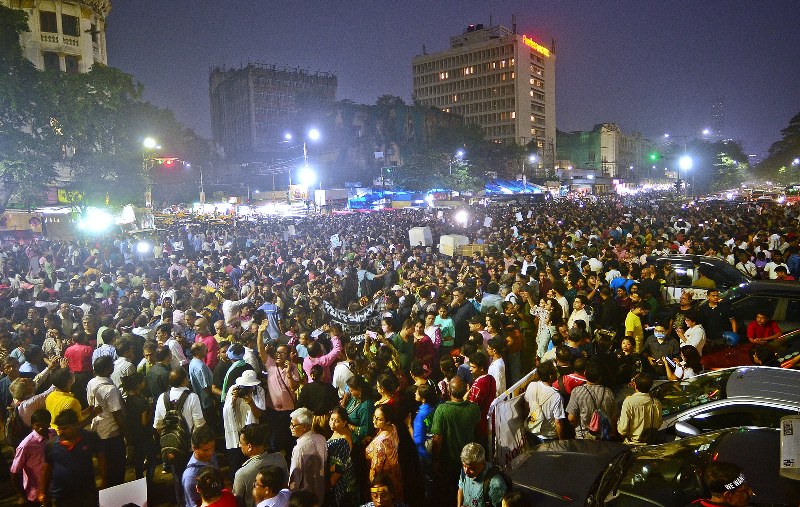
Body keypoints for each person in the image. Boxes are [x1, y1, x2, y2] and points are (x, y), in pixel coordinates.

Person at [41, 408, 107, 507]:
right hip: (61, 496)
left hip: (86, 494)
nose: (61, 432)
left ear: (75, 425)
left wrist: (104, 480)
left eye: (65, 428)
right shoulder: (52, 445)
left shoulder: (90, 438)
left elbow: (101, 458)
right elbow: (47, 469)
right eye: (60, 428)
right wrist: (43, 492)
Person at [430, 376, 480, 505]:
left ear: (449, 391)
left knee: (451, 493)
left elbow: (437, 438)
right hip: (469, 461)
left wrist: (435, 460)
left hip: (449, 462)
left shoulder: (442, 410)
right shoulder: (474, 408)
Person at [86, 354, 128, 487]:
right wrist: (125, 432)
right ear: (106, 369)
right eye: (111, 366)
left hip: (98, 429)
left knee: (105, 468)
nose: (113, 367)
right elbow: (117, 414)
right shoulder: (110, 389)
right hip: (112, 433)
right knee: (116, 468)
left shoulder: (92, 382)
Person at [223, 369, 266, 477]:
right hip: (236, 433)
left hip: (251, 433)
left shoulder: (259, 391)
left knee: (253, 465)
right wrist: (233, 399)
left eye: (249, 387)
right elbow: (227, 411)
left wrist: (251, 403)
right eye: (244, 387)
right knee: (235, 465)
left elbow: (258, 415)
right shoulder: (233, 389)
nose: (246, 390)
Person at [233, 424, 288, 507]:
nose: (240, 445)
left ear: (249, 446)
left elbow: (237, 502)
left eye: (241, 443)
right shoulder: (279, 458)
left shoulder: (242, 473)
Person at [10, 408, 52, 506]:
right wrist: (21, 495)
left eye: (44, 424)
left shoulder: (53, 435)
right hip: (34, 495)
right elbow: (14, 472)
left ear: (49, 423)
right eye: (37, 425)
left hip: (52, 489)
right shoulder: (26, 445)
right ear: (32, 426)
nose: (41, 428)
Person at [566, 363, 617, 439]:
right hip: (603, 437)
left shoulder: (577, 391)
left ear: (584, 374)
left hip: (583, 437)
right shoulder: (608, 392)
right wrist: (613, 433)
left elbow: (571, 418)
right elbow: (614, 417)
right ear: (600, 377)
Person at [288, 407, 327, 503]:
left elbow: (295, 478)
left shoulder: (299, 448)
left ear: (304, 426)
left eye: (293, 425)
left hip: (303, 498)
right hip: (320, 492)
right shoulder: (321, 439)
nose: (290, 427)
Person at [365, 404, 403, 501]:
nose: (374, 421)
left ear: (388, 421)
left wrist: (372, 482)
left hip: (383, 480)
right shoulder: (393, 428)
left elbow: (376, 467)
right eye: (374, 417)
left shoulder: (380, 442)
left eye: (379, 419)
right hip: (395, 474)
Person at [523, 360, 567, 443]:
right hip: (549, 437)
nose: (557, 374)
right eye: (555, 372)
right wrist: (562, 441)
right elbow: (558, 422)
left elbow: (526, 407)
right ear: (550, 376)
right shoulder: (556, 396)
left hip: (532, 432)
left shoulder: (532, 385)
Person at [327, 406, 360, 507]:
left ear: (344, 423)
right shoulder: (336, 432)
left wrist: (328, 486)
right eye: (332, 419)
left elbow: (339, 469)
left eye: (337, 421)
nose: (333, 423)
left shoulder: (343, 440)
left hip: (341, 483)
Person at [617, 373, 662, 445]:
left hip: (633, 444)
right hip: (651, 443)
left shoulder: (629, 402)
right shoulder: (656, 402)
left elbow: (622, 430)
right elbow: (659, 423)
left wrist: (618, 422)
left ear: (635, 385)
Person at [457, 443, 508, 507]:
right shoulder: (466, 468)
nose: (466, 472)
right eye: (464, 466)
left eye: (472, 469)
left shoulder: (496, 484)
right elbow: (461, 488)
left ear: (483, 463)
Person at [183, 424, 219, 507]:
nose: (210, 453)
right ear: (194, 448)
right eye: (205, 450)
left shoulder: (211, 455)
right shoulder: (190, 476)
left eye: (212, 448)